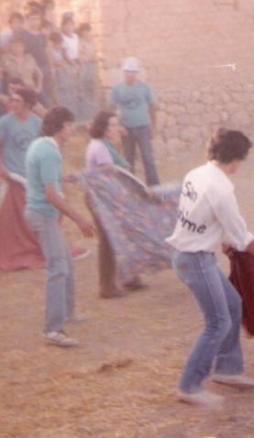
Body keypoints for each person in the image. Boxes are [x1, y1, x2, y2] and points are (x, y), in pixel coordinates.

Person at [166, 129, 254, 407]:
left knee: (232, 305)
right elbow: (245, 240)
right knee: (218, 323)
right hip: (196, 260)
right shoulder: (222, 189)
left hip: (187, 255)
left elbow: (200, 217)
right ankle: (188, 385)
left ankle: (228, 368)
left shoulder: (195, 174)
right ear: (236, 159)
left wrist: (221, 238)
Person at [24, 106, 95, 348]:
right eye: (70, 125)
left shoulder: (40, 145)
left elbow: (44, 181)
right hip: (43, 214)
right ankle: (53, 329)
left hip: (40, 212)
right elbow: (51, 194)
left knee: (66, 263)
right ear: (62, 126)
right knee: (58, 268)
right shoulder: (49, 152)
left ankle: (67, 312)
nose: (72, 130)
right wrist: (79, 219)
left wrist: (61, 180)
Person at [84, 111, 147, 298]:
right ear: (103, 127)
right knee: (107, 241)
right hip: (101, 198)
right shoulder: (100, 148)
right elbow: (110, 176)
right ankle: (107, 286)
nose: (116, 128)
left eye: (116, 124)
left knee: (120, 235)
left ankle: (127, 277)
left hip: (105, 196)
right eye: (112, 125)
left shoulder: (102, 144)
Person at [109, 57, 159, 186]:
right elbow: (111, 110)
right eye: (127, 71)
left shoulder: (144, 87)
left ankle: (155, 187)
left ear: (137, 73)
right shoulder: (117, 89)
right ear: (123, 72)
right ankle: (131, 187)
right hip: (126, 129)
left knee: (148, 158)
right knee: (128, 160)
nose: (130, 74)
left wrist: (153, 126)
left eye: (132, 72)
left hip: (143, 127)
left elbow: (152, 107)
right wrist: (118, 127)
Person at [0, 87, 41, 179]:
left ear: (27, 104)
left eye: (17, 101)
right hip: (11, 174)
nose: (13, 104)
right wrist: (1, 167)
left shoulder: (37, 123)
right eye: (12, 100)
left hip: (30, 175)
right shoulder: (4, 122)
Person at [17, 8, 52, 106]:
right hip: (30, 69)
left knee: (45, 91)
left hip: (44, 66)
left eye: (37, 19)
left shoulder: (42, 35)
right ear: (27, 20)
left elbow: (47, 51)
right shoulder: (23, 35)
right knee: (35, 94)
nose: (35, 22)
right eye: (32, 19)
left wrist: (50, 67)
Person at [76, 23, 97, 122]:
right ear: (81, 32)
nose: (87, 33)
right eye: (84, 31)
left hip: (92, 67)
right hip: (84, 67)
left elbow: (94, 55)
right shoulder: (80, 43)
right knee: (83, 89)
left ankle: (93, 114)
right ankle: (85, 116)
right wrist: (88, 58)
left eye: (88, 31)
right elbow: (81, 57)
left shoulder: (92, 43)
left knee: (92, 89)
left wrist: (92, 58)